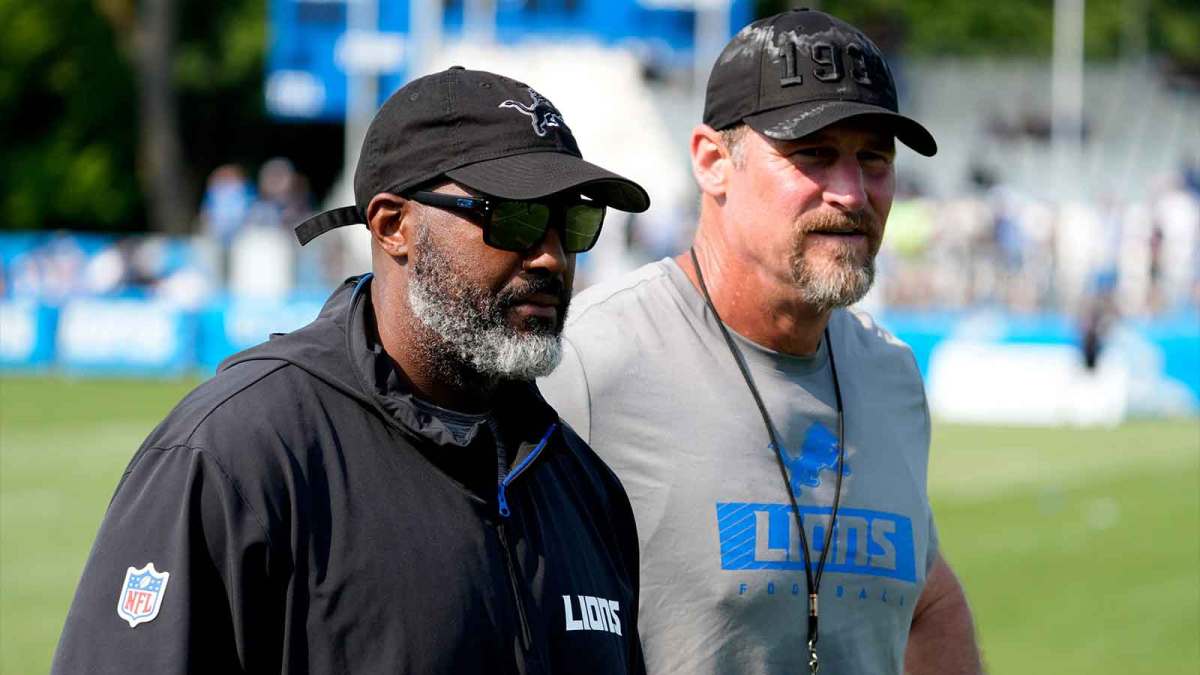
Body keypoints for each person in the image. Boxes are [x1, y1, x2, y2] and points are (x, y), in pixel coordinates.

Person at [53, 67, 650, 674]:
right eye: (515, 218)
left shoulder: (582, 484)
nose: (551, 256)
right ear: (394, 226)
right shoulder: (238, 454)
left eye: (572, 223)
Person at [539, 9, 983, 674]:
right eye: (813, 155)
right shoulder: (587, 363)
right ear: (713, 162)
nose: (852, 193)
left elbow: (926, 597)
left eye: (874, 159)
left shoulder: (889, 373)